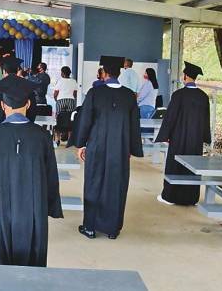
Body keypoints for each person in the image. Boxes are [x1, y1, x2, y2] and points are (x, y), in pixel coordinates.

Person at [0, 80, 63, 266]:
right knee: (32, 263)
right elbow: (51, 178)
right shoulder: (42, 137)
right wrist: (49, 206)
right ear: (29, 104)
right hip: (33, 211)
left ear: (3, 105)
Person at [72, 56, 143, 239]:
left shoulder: (95, 93)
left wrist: (80, 144)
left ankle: (90, 227)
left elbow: (85, 119)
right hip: (119, 149)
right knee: (116, 185)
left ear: (104, 73)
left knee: (94, 183)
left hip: (97, 146)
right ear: (119, 73)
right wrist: (132, 149)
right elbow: (134, 125)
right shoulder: (129, 96)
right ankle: (113, 229)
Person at [155, 62, 211, 206]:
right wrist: (205, 137)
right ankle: (191, 198)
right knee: (192, 166)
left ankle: (170, 196)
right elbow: (206, 119)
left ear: (185, 76)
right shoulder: (203, 97)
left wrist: (165, 135)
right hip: (195, 139)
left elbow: (170, 117)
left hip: (178, 137)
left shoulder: (179, 95)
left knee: (175, 164)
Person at [0, 55, 37, 131]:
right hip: (23, 128)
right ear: (18, 70)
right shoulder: (27, 85)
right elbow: (33, 110)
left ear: (4, 71)